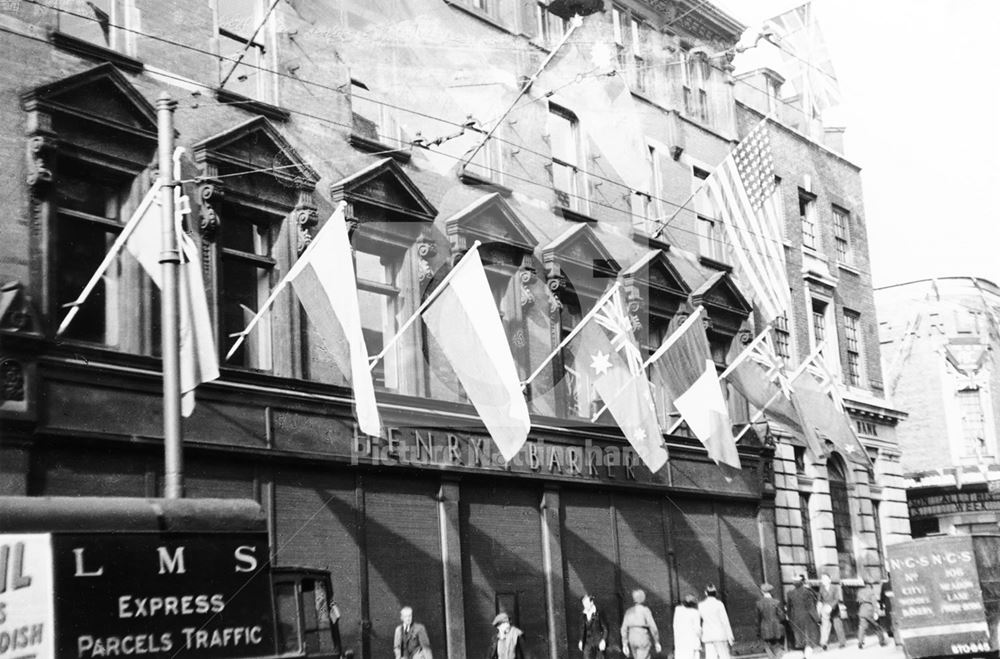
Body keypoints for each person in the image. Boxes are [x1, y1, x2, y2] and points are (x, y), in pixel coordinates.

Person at [785, 574, 820, 657]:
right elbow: (811, 607)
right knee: (809, 636)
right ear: (802, 582)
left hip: (796, 618)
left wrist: (790, 618)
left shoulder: (790, 593)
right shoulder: (807, 592)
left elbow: (789, 608)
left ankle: (804, 653)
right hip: (807, 618)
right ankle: (807, 654)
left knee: (800, 636)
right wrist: (817, 619)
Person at [620, 589, 661, 659]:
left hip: (632, 639)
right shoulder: (645, 610)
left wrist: (625, 644)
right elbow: (653, 627)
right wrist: (657, 641)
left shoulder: (628, 611)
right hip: (642, 638)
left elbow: (623, 629)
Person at [699, 585, 734, 659]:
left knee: (710, 657)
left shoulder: (701, 605)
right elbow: (725, 621)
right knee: (724, 656)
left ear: (706, 593)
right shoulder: (719, 604)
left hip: (708, 635)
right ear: (716, 593)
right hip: (720, 634)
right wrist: (730, 636)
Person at [755, 583, 785, 659]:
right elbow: (782, 617)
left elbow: (757, 619)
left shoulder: (759, 603)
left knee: (768, 647)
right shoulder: (776, 602)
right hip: (776, 628)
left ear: (762, 592)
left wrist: (758, 631)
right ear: (771, 592)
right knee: (777, 646)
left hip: (765, 629)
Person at [817, 573, 846, 650]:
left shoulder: (835, 587)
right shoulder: (821, 588)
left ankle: (842, 642)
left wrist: (831, 606)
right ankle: (824, 643)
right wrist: (820, 607)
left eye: (825, 579)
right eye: (822, 579)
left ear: (829, 580)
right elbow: (819, 599)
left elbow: (837, 599)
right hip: (825, 610)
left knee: (838, 626)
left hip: (834, 609)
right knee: (825, 626)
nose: (824, 581)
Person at [857, 579, 888, 649]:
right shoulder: (871, 592)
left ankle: (860, 642)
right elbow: (874, 603)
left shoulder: (860, 592)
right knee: (877, 626)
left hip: (862, 610)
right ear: (871, 586)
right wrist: (876, 612)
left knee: (862, 627)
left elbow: (858, 601)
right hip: (870, 610)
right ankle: (882, 642)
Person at [578, 594, 608, 659]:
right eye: (584, 604)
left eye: (586, 603)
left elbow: (605, 628)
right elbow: (582, 629)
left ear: (591, 603)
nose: (585, 606)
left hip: (598, 642)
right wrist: (581, 640)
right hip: (587, 643)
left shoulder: (598, 613)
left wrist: (603, 640)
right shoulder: (583, 615)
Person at [672, 594, 702, 659]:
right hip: (692, 643)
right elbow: (697, 630)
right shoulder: (695, 613)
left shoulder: (678, 610)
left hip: (680, 643)